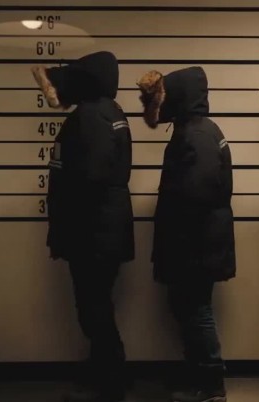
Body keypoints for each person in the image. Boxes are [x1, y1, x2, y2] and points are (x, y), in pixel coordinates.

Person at [31, 51, 134, 402]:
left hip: (92, 232)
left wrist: (69, 231)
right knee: (98, 305)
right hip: (105, 229)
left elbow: (89, 179)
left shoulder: (90, 116)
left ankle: (109, 385)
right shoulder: (112, 112)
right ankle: (106, 374)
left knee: (93, 309)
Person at [137, 66, 236, 402]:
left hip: (195, 244)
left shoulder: (196, 135)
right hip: (199, 241)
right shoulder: (200, 130)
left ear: (179, 97)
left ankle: (210, 384)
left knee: (196, 311)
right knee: (190, 309)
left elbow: (197, 193)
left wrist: (178, 238)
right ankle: (200, 377)